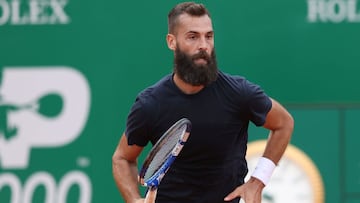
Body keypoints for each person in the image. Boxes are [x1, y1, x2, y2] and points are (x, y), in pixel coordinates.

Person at [112, 2, 294, 203]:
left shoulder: (239, 93)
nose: (203, 46)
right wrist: (134, 200)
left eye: (209, 36)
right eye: (192, 37)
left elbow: (283, 123)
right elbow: (122, 158)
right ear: (172, 42)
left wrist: (257, 181)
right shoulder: (150, 104)